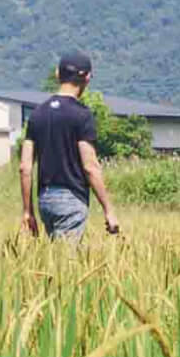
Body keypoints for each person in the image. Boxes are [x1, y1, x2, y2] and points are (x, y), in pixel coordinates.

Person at [20, 51, 121, 242]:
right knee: (66, 262)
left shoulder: (37, 114)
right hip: (71, 199)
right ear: (87, 78)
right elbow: (90, 167)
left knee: (56, 258)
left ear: (58, 74)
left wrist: (28, 211)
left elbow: (25, 167)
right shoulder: (82, 115)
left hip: (45, 199)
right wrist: (109, 209)